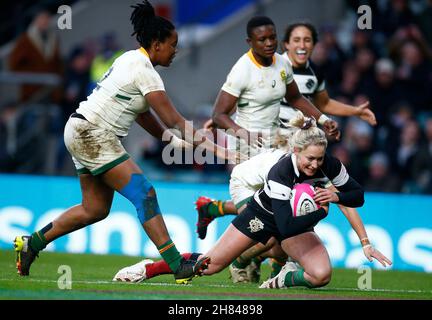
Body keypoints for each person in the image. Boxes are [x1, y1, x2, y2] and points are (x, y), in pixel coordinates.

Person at [13, 0, 235, 284]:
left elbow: (143, 114)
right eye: (172, 44)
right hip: (94, 133)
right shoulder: (144, 70)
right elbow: (174, 119)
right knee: (144, 192)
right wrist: (214, 148)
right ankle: (177, 264)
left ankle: (32, 243)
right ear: (156, 44)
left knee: (94, 209)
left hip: (80, 129)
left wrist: (171, 141)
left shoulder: (129, 59)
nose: (175, 50)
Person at [114, 114, 392, 288]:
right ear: (296, 151)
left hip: (296, 223)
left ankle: (282, 278)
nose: (314, 164)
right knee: (211, 266)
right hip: (262, 215)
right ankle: (148, 269)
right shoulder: (281, 171)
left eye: (320, 158)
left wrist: (337, 195)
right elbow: (283, 226)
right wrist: (320, 211)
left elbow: (358, 197)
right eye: (310, 158)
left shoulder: (329, 166)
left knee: (321, 276)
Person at [195, 17, 341, 241]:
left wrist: (322, 118)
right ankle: (243, 260)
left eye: (272, 37)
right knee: (261, 217)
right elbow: (219, 113)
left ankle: (213, 210)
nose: (268, 43)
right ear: (249, 41)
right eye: (261, 39)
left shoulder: (282, 64)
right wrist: (243, 133)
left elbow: (295, 97)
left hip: (274, 142)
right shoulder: (242, 70)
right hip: (243, 145)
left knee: (275, 205)